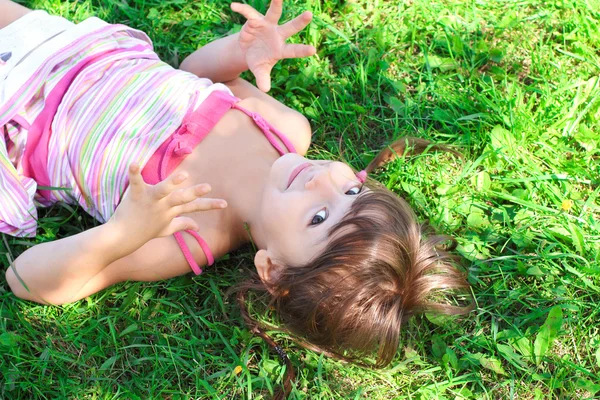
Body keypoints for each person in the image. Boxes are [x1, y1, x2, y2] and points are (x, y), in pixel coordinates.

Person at [1, 0, 471, 384]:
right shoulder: (286, 130)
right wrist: (240, 53)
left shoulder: (186, 234)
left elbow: (27, 280)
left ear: (272, 269)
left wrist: (122, 234)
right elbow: (199, 74)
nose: (323, 180)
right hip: (70, 50)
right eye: (351, 190)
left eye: (318, 218)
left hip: (18, 117)